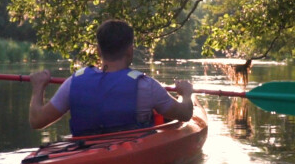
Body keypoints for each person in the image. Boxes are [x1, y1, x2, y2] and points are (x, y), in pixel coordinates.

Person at [29, 19, 194, 136]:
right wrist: (185, 94)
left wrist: (38, 87)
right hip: (131, 155)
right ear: (130, 50)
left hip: (85, 153)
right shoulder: (147, 86)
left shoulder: (73, 82)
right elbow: (185, 114)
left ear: (98, 51)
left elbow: (36, 121)